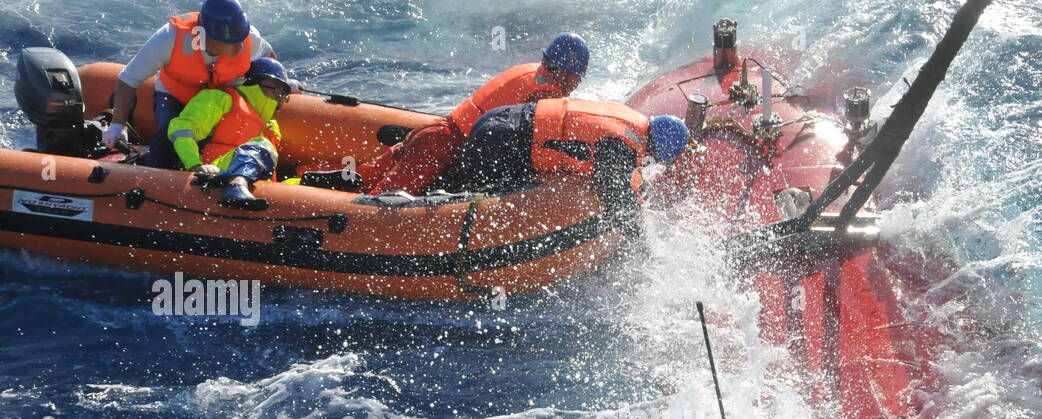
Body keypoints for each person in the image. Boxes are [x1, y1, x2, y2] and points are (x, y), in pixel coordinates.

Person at [301, 33, 590, 195]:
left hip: (437, 130)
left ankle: (313, 180)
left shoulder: (529, 72)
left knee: (370, 176)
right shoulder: (545, 92)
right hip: (445, 147)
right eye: (576, 79)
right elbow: (534, 142)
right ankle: (308, 199)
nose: (575, 86)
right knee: (382, 202)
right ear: (566, 73)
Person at [432, 99, 690, 236]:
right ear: (656, 149)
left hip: (503, 119)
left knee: (451, 181)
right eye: (656, 159)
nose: (652, 164)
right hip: (503, 142)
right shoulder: (620, 146)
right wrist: (641, 242)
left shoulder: (629, 120)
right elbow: (615, 194)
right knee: (447, 195)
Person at [103, 0, 277, 169]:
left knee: (223, 136)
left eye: (242, 37)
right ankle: (154, 170)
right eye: (233, 40)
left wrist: (282, 83)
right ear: (209, 36)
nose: (241, 46)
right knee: (168, 135)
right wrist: (118, 124)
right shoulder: (170, 37)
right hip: (175, 95)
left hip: (217, 100)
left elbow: (269, 56)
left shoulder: (249, 37)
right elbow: (128, 79)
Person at [168, 58, 292, 210]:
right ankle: (236, 184)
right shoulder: (219, 99)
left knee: (306, 179)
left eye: (282, 94)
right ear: (252, 84)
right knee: (261, 145)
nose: (278, 99)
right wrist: (195, 165)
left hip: (259, 185)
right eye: (275, 90)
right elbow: (182, 129)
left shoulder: (272, 127)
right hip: (215, 172)